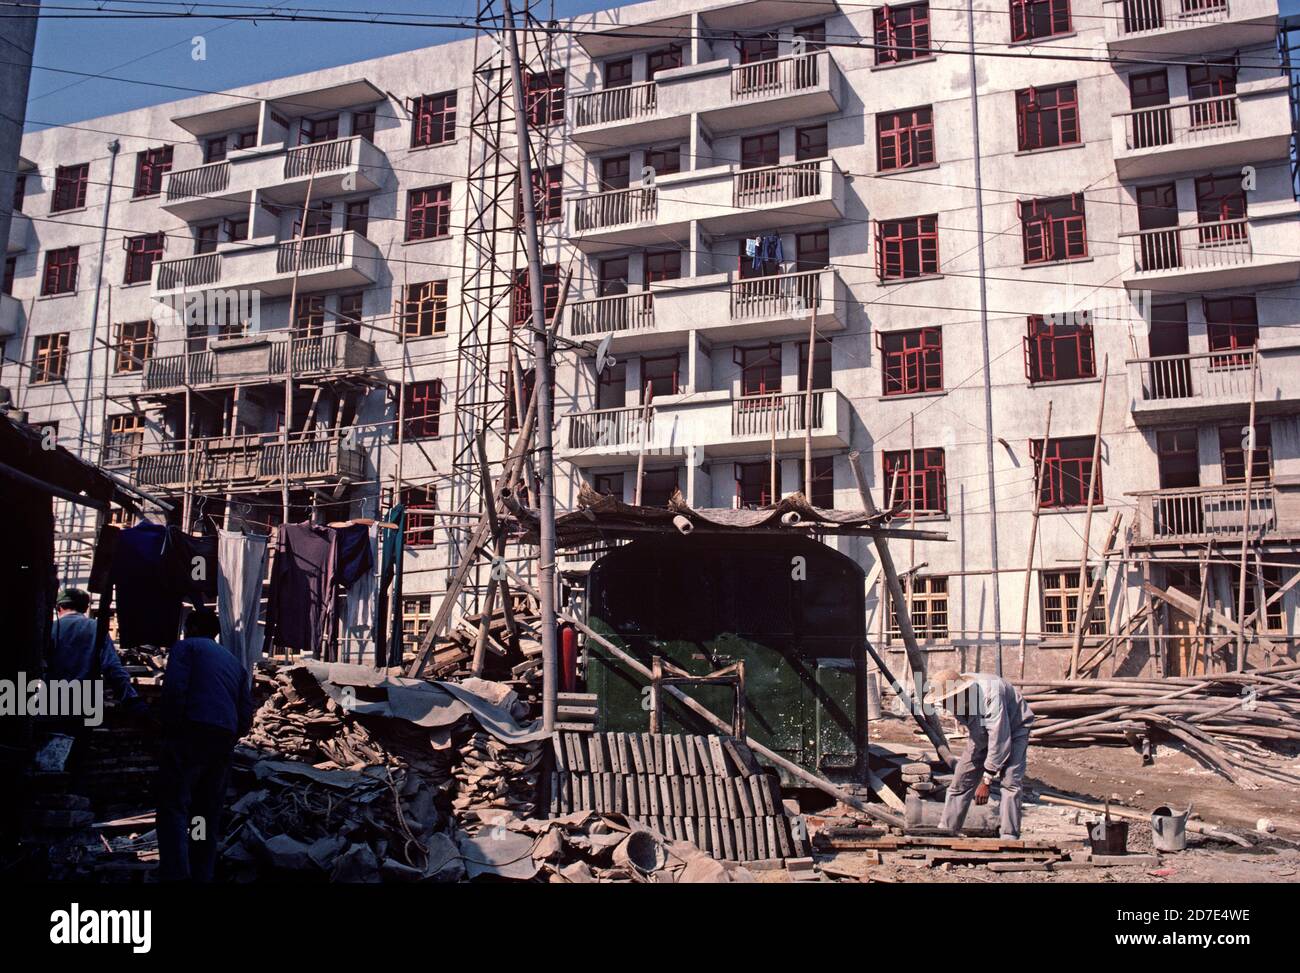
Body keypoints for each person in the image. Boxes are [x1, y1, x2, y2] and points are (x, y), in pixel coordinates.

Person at [156, 609, 255, 882]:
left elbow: (175, 690)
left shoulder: (186, 649)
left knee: (175, 805)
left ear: (193, 628)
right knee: (205, 811)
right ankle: (201, 874)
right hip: (222, 739)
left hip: (191, 731)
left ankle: (176, 874)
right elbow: (246, 712)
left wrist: (168, 729)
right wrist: (229, 737)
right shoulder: (234, 662)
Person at [925, 669, 1036, 840]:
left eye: (947, 700)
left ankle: (1009, 837)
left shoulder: (990, 695)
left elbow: (999, 740)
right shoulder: (957, 697)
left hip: (1015, 728)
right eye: (943, 701)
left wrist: (986, 779)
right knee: (961, 780)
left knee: (1010, 781)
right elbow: (981, 734)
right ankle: (947, 831)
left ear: (960, 693)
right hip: (982, 731)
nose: (946, 706)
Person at [49, 587, 140, 707]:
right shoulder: (96, 628)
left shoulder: (49, 629)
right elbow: (112, 668)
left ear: (58, 608)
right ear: (85, 608)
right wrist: (131, 699)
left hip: (51, 704)